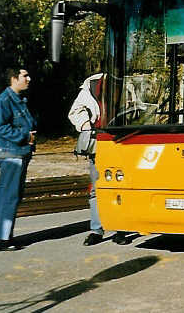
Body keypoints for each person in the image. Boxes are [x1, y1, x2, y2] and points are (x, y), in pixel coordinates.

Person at [0, 68, 36, 251]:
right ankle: (1, 239)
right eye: (24, 76)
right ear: (13, 79)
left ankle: (4, 235)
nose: (28, 79)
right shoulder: (4, 100)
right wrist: (25, 136)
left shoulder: (19, 100)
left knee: (13, 195)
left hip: (20, 153)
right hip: (11, 154)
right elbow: (0, 127)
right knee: (8, 196)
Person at [67, 74, 105, 246]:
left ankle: (121, 229)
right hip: (98, 143)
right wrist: (85, 125)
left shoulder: (127, 82)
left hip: (121, 140)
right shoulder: (91, 85)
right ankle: (97, 230)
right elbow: (75, 111)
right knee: (96, 189)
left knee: (121, 187)